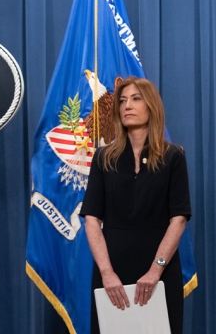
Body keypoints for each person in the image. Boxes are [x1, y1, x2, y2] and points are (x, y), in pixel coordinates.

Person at [80, 76, 191, 334]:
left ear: (151, 106)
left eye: (136, 99)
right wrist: (107, 273)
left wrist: (155, 271)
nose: (127, 105)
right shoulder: (102, 157)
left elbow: (179, 219)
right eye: (122, 100)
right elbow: (91, 220)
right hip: (111, 272)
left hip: (160, 271)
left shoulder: (174, 157)